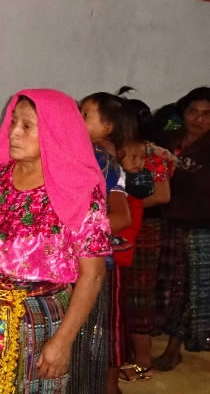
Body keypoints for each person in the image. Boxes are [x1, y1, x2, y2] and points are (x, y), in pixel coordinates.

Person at [0, 89, 110, 394]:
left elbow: (92, 275)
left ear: (55, 132)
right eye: (13, 122)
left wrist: (62, 341)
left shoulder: (79, 192)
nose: (13, 132)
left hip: (31, 320)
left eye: (27, 125)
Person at [73, 92, 134, 394]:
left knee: (94, 334)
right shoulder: (77, 154)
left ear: (108, 127)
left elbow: (121, 217)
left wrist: (74, 231)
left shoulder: (104, 163)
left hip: (92, 261)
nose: (77, 118)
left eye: (86, 114)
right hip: (71, 261)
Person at [115, 94, 174, 381]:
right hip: (123, 226)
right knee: (119, 292)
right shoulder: (115, 149)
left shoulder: (151, 153)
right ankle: (123, 354)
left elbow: (162, 196)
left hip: (144, 228)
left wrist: (123, 205)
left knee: (138, 293)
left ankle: (143, 360)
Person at [153, 86, 210, 371]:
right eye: (193, 112)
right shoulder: (169, 140)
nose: (199, 119)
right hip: (168, 222)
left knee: (190, 288)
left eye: (207, 114)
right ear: (183, 113)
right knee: (169, 284)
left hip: (201, 227)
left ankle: (174, 348)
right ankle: (167, 334)